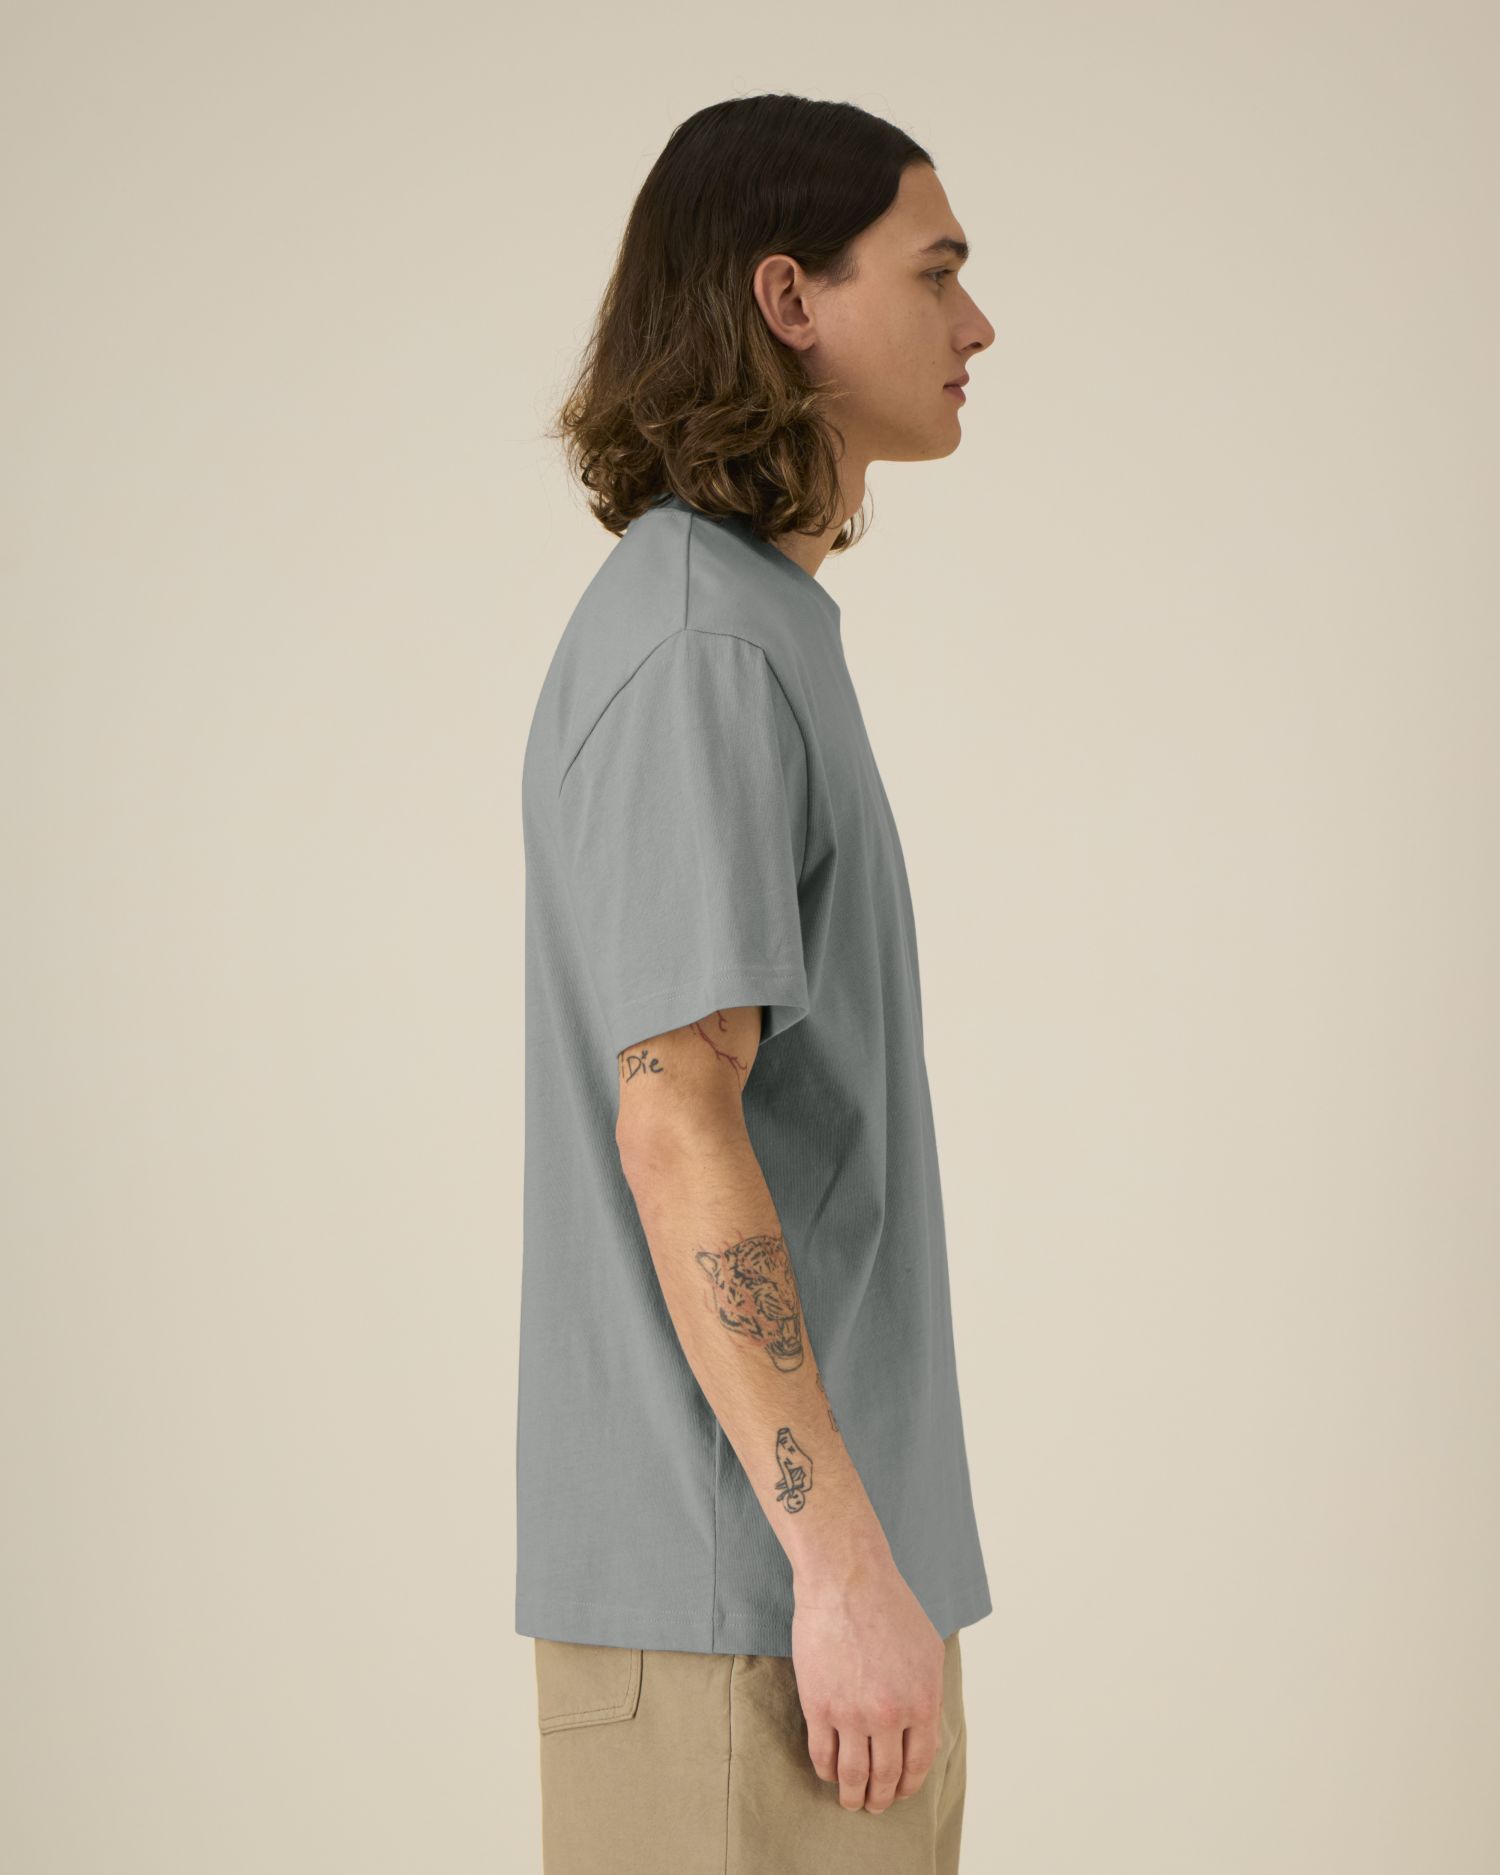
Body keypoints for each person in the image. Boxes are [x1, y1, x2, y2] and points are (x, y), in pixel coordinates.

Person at [518, 92, 997, 1872]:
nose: (976, 322)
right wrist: (837, 1565)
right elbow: (676, 1121)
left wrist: (867, 1570)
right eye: (934, 272)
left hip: (810, 1601)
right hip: (752, 1611)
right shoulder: (699, 645)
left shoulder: (753, 624)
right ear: (789, 300)